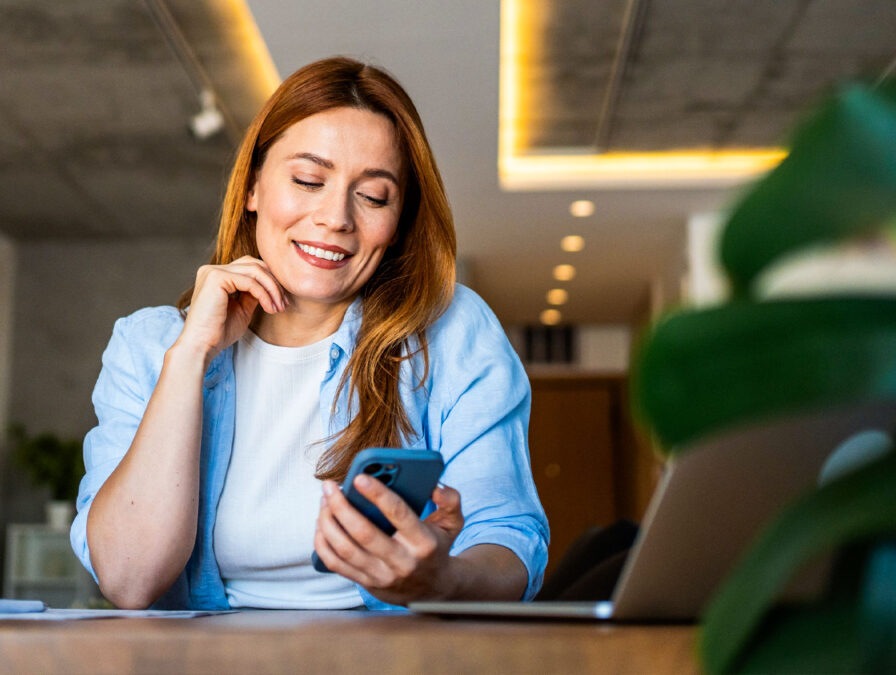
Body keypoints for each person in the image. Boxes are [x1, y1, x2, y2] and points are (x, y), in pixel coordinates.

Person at [69, 57, 549, 610]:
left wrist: (446, 580)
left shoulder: (450, 331)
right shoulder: (148, 346)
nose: (336, 217)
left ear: (398, 224)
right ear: (253, 188)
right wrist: (190, 358)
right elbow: (130, 580)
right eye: (308, 180)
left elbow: (508, 539)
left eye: (372, 196)